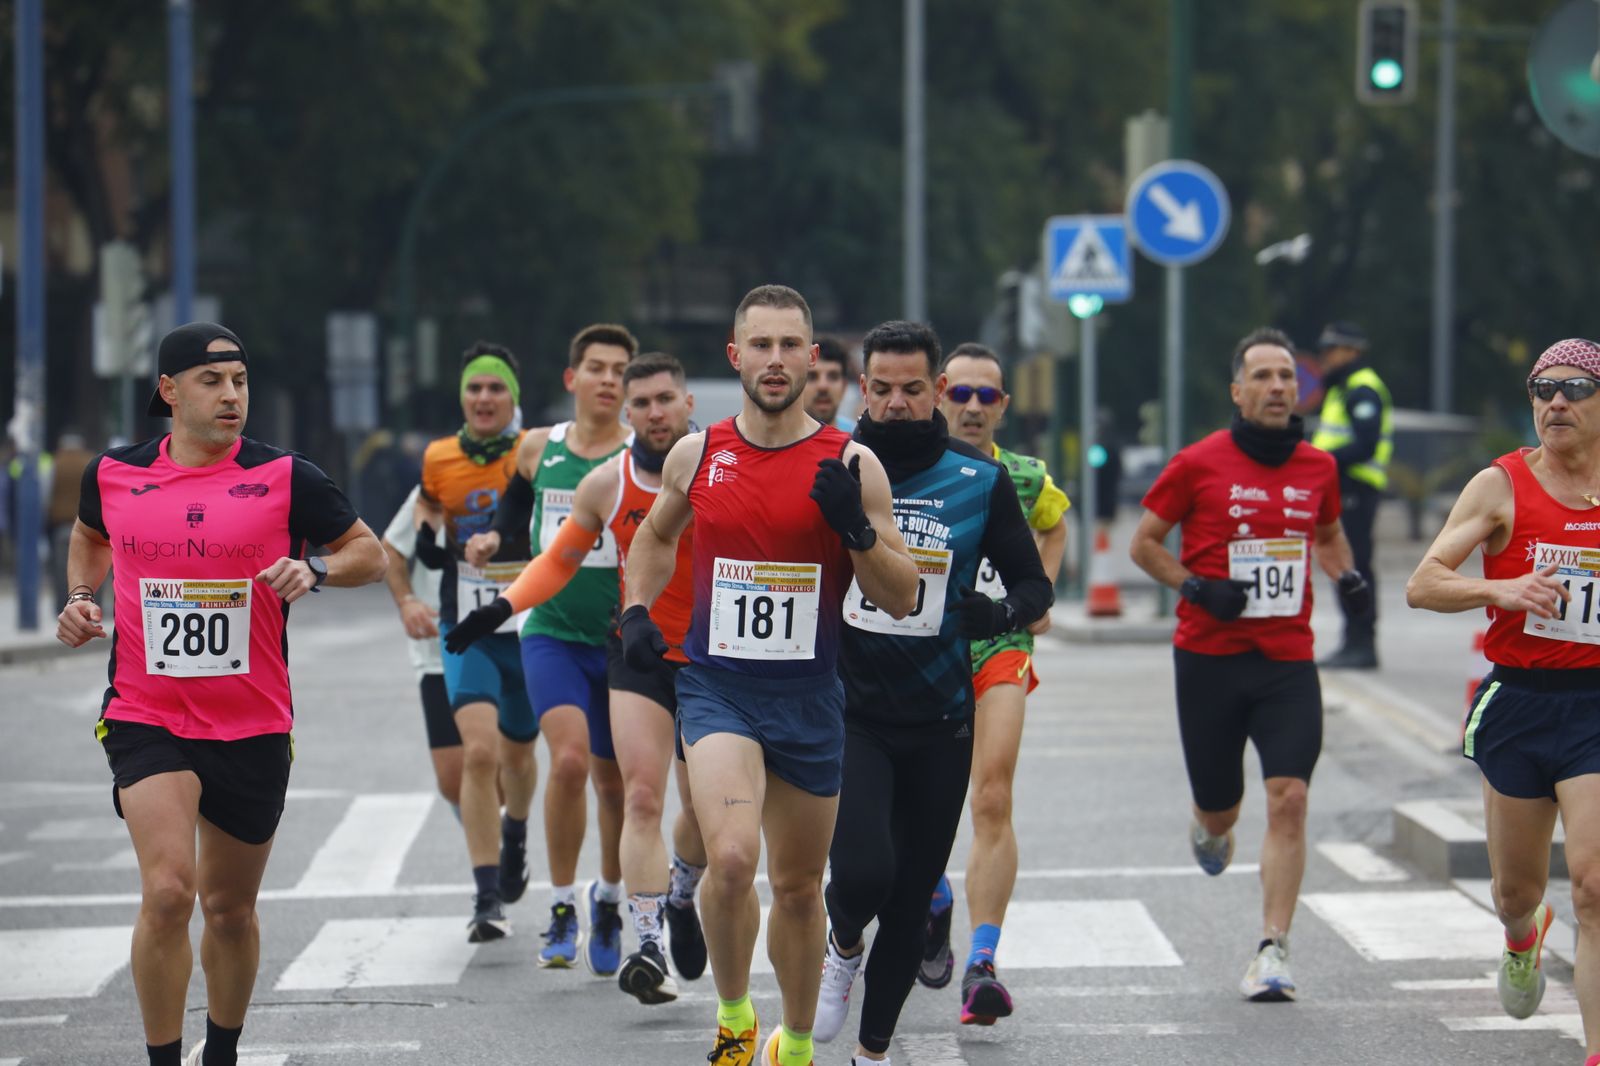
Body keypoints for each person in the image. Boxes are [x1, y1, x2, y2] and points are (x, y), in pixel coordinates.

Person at [55, 322, 386, 1066]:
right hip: (147, 714)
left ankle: (223, 1052)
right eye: (212, 381)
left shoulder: (287, 476)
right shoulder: (113, 472)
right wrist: (81, 595)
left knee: (228, 911)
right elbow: (90, 534)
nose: (231, 395)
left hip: (252, 723)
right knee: (170, 893)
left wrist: (319, 572)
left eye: (239, 380)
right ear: (169, 392)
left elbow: (370, 551)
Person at [620, 285, 918, 1066]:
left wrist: (854, 528)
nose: (777, 361)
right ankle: (732, 1018)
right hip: (718, 688)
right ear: (735, 356)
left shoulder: (854, 462)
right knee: (731, 858)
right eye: (762, 345)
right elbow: (652, 540)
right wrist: (638, 613)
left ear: (813, 358)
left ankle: (792, 1039)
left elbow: (902, 592)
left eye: (792, 346)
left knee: (795, 885)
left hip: (811, 693)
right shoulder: (699, 452)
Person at [812, 322, 1053, 1065]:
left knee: (914, 899)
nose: (893, 403)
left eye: (912, 389)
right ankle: (843, 939)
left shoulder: (980, 480)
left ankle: (873, 1053)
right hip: (854, 710)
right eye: (879, 388)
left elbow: (1035, 584)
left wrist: (1003, 612)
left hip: (943, 718)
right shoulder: (829, 467)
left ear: (938, 391)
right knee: (861, 875)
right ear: (861, 387)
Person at [447, 352, 710, 1004]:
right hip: (637, 650)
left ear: (687, 406)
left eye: (664, 400)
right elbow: (558, 561)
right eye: (641, 403)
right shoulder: (604, 484)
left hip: (713, 657)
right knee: (638, 795)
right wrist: (500, 609)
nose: (654, 413)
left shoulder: (719, 474)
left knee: (704, 813)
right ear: (628, 412)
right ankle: (645, 942)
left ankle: (680, 892)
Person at [1129, 327, 1369, 1002]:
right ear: (1238, 392)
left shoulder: (1318, 467)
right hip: (1208, 658)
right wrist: (1196, 587)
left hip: (1287, 662)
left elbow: (1326, 533)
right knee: (1222, 811)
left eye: (1287, 377)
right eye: (1262, 376)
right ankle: (1209, 824)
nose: (1276, 388)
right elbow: (1145, 544)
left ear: (1300, 390)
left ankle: (1273, 948)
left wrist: (1347, 576)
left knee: (1288, 799)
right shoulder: (1198, 462)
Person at [1406, 338, 1600, 1061]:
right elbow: (1423, 583)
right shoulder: (1501, 486)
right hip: (1520, 703)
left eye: (1576, 388)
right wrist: (1498, 588)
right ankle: (1522, 938)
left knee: (1592, 884)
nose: (1557, 402)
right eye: (1543, 389)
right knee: (1516, 892)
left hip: (1596, 706)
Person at [465, 323, 635, 972]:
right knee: (567, 763)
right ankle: (562, 905)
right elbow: (513, 519)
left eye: (621, 370)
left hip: (621, 643)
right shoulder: (539, 449)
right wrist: (489, 542)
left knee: (614, 784)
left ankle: (611, 899)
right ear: (572, 379)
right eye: (597, 367)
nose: (609, 380)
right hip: (552, 635)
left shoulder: (643, 458)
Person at [917, 341, 1068, 1025]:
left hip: (998, 647)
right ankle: (931, 898)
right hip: (922, 656)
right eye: (962, 393)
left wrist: (1033, 597)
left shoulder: (1028, 476)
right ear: (940, 392)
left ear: (1003, 405)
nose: (973, 407)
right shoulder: (912, 467)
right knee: (918, 808)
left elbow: (1054, 525)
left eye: (988, 396)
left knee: (993, 794)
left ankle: (983, 961)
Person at [414, 341, 536, 944]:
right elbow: (428, 518)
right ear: (462, 397)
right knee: (480, 754)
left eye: (495, 388)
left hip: (529, 625)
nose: (484, 398)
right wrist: (430, 541)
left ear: (513, 395)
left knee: (518, 756)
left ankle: (516, 828)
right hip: (466, 626)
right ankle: (486, 896)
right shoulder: (437, 457)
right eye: (474, 389)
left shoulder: (535, 451)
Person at [1310, 321, 1391, 670]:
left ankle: (1362, 643)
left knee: (1354, 566)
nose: (1326, 356)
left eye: (1333, 349)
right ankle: (1352, 641)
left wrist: (1320, 460)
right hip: (1340, 487)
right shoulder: (1342, 388)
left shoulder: (1362, 389)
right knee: (1345, 564)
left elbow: (1365, 444)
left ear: (1353, 351)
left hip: (1356, 487)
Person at [381, 485, 464, 814]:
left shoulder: (521, 478)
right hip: (438, 651)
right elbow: (392, 549)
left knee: (497, 764)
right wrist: (406, 601)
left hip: (504, 641)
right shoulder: (436, 485)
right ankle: (497, 853)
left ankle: (502, 856)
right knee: (453, 780)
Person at [804, 336, 857, 432]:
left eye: (833, 377)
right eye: (812, 377)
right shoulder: (774, 441)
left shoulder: (859, 440)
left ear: (844, 387)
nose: (823, 386)